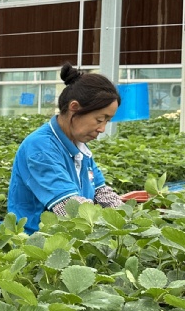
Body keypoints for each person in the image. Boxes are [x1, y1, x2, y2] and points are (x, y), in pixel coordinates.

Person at [7, 64, 127, 233]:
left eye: (107, 121)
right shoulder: (41, 148)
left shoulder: (78, 146)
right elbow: (69, 206)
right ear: (74, 108)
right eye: (100, 120)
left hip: (73, 238)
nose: (102, 129)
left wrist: (129, 220)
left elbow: (101, 192)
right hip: (35, 246)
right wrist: (112, 226)